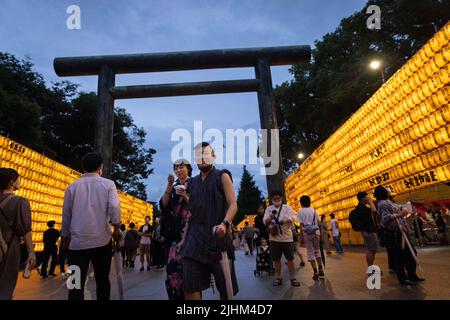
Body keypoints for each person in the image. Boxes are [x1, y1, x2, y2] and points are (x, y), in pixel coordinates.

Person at [181, 142, 239, 300]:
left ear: (213, 156)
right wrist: (183, 239)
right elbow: (193, 212)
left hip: (217, 238)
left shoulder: (222, 176)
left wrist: (225, 224)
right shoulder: (192, 183)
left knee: (226, 290)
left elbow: (233, 204)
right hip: (195, 240)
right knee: (190, 286)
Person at [61, 152, 121, 300]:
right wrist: (117, 228)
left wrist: (64, 237)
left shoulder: (72, 187)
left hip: (77, 244)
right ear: (101, 167)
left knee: (74, 283)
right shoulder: (108, 184)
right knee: (102, 280)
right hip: (102, 240)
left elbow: (66, 215)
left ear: (83, 167)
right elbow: (114, 206)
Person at [375, 185, 425, 286]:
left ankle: (411, 275)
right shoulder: (382, 204)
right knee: (400, 256)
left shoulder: (388, 202)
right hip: (395, 233)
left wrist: (404, 214)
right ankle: (404, 278)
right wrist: (400, 214)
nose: (389, 191)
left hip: (401, 232)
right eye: (387, 190)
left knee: (409, 254)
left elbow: (398, 214)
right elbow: (385, 219)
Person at [0, 168, 35, 300]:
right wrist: (31, 252)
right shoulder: (20, 202)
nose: (20, 181)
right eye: (18, 179)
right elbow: (25, 230)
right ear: (11, 182)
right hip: (10, 247)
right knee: (6, 284)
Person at [160, 158, 192, 300]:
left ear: (188, 168)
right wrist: (169, 184)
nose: (179, 170)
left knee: (189, 270)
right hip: (173, 233)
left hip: (190, 231)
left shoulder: (195, 184)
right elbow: (164, 204)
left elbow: (197, 207)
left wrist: (185, 196)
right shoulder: (173, 186)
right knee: (172, 268)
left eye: (181, 167)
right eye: (176, 167)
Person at [264, 190, 300, 287]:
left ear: (281, 199)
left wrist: (287, 219)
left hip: (287, 238)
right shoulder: (269, 209)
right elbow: (265, 221)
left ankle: (293, 277)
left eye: (278, 199)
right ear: (271, 200)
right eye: (274, 199)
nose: (276, 200)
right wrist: (270, 217)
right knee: (276, 259)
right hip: (274, 238)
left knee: (290, 259)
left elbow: (294, 217)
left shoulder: (287, 208)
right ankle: (278, 277)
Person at [297, 195, 325, 281]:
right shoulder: (314, 210)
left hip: (307, 234)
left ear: (301, 203)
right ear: (310, 202)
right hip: (316, 233)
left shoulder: (300, 211)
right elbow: (319, 224)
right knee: (317, 251)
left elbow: (301, 225)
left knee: (310, 252)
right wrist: (322, 235)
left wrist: (301, 236)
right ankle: (321, 268)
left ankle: (315, 271)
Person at [354, 192, 379, 273]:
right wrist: (370, 202)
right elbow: (374, 210)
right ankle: (370, 269)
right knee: (370, 250)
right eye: (367, 197)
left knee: (372, 249)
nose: (368, 198)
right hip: (368, 231)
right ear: (362, 198)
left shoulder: (361, 207)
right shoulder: (361, 207)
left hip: (368, 230)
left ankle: (371, 267)